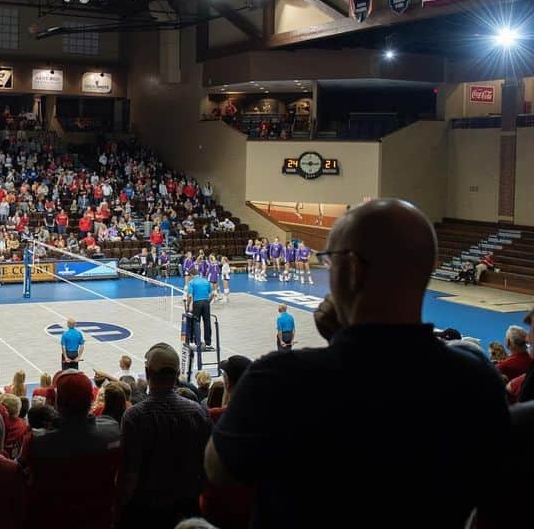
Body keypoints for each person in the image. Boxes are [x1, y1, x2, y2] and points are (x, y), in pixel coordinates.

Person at [205, 199, 513, 527]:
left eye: (329, 260)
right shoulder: (477, 379)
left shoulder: (280, 379)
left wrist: (341, 335)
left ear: (352, 269)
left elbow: (218, 469)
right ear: (430, 265)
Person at [117, 343, 212, 525]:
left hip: (146, 512)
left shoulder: (134, 417)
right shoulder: (198, 412)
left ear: (147, 372)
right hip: (188, 510)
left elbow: (129, 475)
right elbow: (207, 469)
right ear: (177, 376)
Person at [21, 370, 121, 529]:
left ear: (57, 403)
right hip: (100, 520)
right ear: (91, 398)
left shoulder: (37, 443)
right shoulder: (113, 433)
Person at [187, 269, 214, 349]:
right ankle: (208, 343)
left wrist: (188, 305)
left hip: (197, 304)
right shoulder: (206, 281)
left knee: (196, 322)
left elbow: (190, 296)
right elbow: (212, 294)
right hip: (206, 303)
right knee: (207, 322)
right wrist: (208, 302)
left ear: (192, 275)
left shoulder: (192, 282)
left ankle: (197, 341)